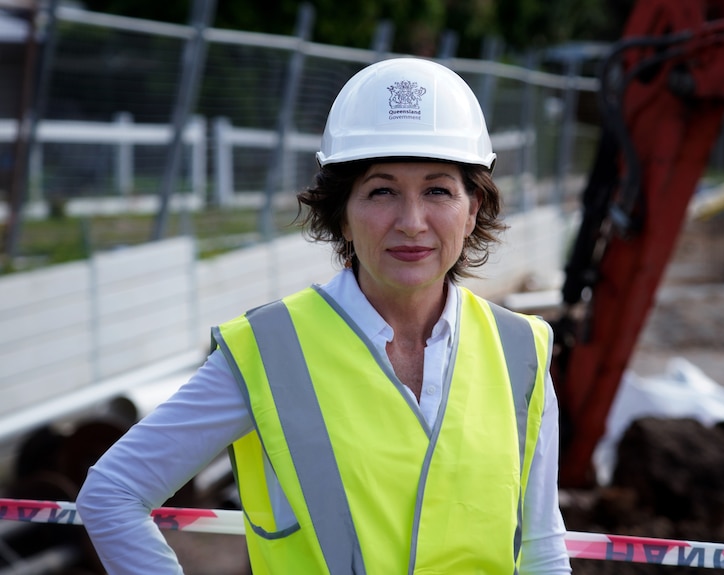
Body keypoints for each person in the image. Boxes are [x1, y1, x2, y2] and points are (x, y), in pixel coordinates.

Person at [77, 56, 571, 574]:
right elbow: (113, 493)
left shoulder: (522, 351)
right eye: (382, 191)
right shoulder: (268, 351)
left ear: (472, 210)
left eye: (438, 190)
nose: (411, 222)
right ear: (342, 214)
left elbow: (541, 547)